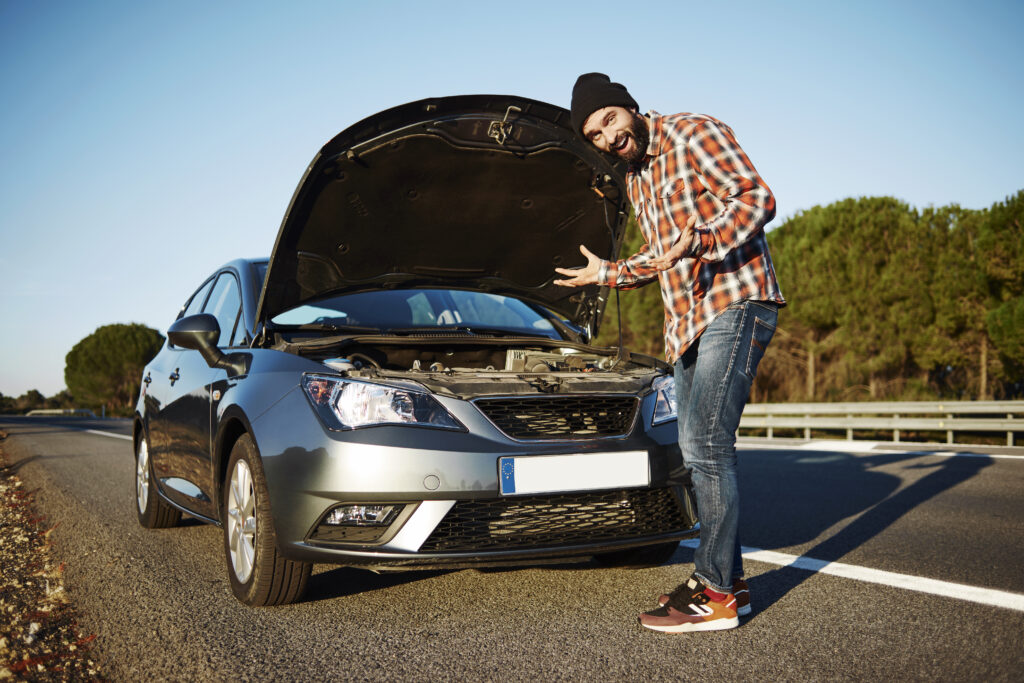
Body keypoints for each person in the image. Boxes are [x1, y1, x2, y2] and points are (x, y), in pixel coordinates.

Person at [555, 73, 785, 633]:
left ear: (628, 107)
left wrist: (702, 239)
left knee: (707, 444)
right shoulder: (636, 180)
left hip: (735, 302)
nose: (607, 137)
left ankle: (714, 592)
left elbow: (758, 198)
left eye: (609, 120)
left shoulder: (691, 134)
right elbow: (661, 256)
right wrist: (608, 272)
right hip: (685, 325)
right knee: (694, 448)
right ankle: (731, 587)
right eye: (594, 134)